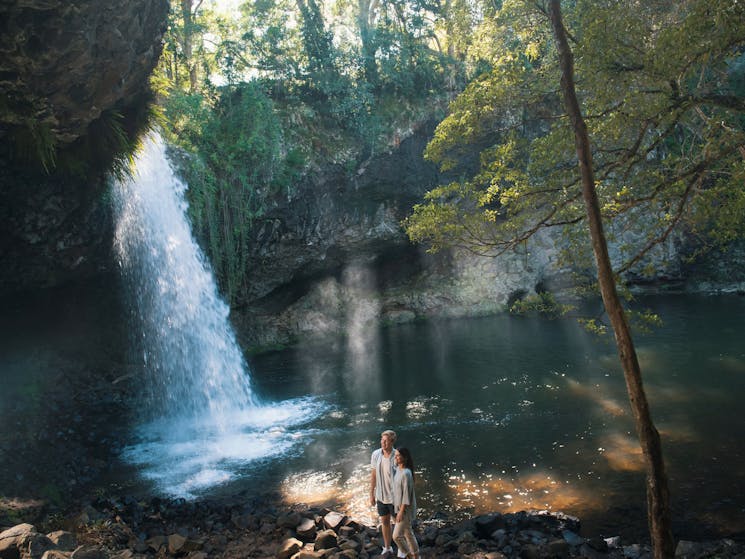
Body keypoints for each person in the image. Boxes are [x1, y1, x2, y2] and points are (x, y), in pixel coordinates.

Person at [370, 429, 397, 557]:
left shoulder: (397, 456)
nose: (383, 443)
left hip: (394, 498)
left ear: (392, 442)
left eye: (386, 441)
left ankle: (402, 547)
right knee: (385, 522)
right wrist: (371, 494)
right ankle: (387, 547)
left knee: (399, 524)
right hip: (381, 496)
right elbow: (374, 475)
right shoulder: (376, 454)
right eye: (382, 440)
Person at [393, 447, 419, 559]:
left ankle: (408, 556)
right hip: (399, 507)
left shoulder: (406, 473)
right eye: (396, 455)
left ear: (405, 457)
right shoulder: (398, 469)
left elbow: (406, 495)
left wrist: (401, 512)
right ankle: (416, 556)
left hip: (405, 509)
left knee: (396, 536)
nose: (396, 457)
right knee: (408, 533)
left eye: (399, 455)